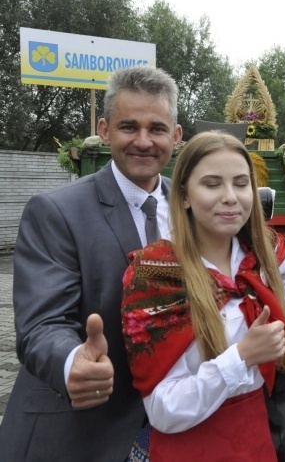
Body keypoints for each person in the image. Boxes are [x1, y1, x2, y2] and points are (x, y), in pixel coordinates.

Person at [0, 66, 183, 461]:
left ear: (176, 136)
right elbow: (42, 325)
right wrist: (71, 362)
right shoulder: (56, 211)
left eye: (156, 129)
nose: (143, 141)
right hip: (79, 434)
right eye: (128, 127)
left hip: (177, 427)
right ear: (104, 130)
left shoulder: (191, 209)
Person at [121, 131, 285, 461]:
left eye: (241, 183)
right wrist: (243, 355)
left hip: (257, 443)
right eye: (212, 184)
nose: (230, 197)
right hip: (190, 449)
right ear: (185, 195)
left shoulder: (258, 254)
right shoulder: (156, 274)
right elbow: (162, 410)